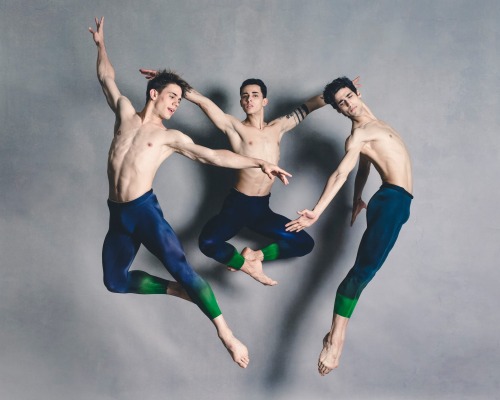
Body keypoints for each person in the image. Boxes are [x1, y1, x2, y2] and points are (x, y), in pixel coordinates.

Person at [89, 17, 291, 368]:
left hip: (143, 212)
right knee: (114, 282)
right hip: (118, 214)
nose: (176, 104)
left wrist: (258, 162)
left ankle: (227, 335)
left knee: (183, 268)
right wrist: (101, 46)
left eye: (180, 100)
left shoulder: (171, 138)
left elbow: (214, 155)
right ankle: (176, 291)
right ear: (154, 93)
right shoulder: (125, 114)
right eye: (172, 97)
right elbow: (106, 78)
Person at [140, 70, 329, 286]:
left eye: (254, 95)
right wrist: (171, 79)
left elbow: (309, 106)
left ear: (264, 100)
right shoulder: (235, 127)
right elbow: (203, 102)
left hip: (262, 209)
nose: (249, 99)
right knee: (208, 242)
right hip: (238, 206)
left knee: (304, 243)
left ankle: (255, 256)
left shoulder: (278, 127)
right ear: (241, 102)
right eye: (245, 96)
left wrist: (339, 91)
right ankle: (244, 264)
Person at [285, 77, 413, 375]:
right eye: (341, 104)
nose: (348, 104)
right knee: (362, 271)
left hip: (399, 202)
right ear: (339, 112)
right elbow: (341, 172)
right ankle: (335, 341)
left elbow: (364, 166)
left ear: (358, 93)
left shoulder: (377, 125)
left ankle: (335, 335)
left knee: (367, 269)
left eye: (349, 97)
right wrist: (316, 211)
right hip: (392, 199)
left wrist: (357, 199)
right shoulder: (357, 135)